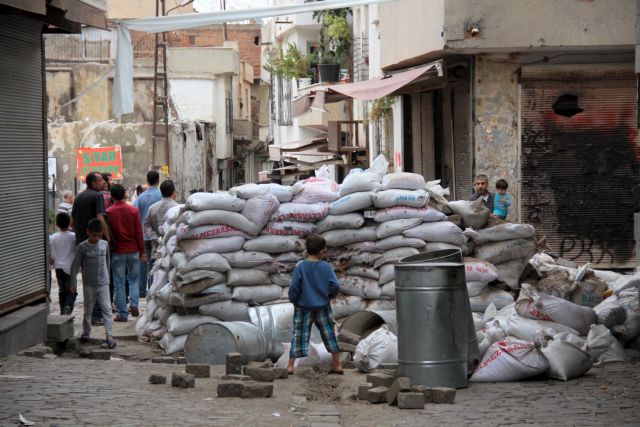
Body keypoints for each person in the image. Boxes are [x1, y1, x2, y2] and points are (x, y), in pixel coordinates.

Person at [287, 234, 342, 375]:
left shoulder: (300, 267)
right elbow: (335, 285)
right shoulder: (326, 267)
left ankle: (290, 367)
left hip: (303, 307)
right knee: (329, 334)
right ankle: (337, 365)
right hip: (322, 307)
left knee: (298, 334)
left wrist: (295, 300)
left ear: (307, 250)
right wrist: (329, 296)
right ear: (323, 251)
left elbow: (294, 288)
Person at [71, 171, 111, 325]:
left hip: (82, 242)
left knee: (87, 278)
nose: (104, 183)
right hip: (94, 243)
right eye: (100, 180)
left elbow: (72, 221)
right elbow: (100, 218)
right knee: (100, 278)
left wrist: (80, 235)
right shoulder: (97, 196)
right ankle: (96, 315)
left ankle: (90, 315)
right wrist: (106, 238)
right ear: (93, 183)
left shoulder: (79, 197)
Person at [69, 219, 116, 349]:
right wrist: (73, 282)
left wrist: (108, 280)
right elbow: (75, 266)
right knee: (88, 309)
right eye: (94, 235)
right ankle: (86, 331)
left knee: (106, 308)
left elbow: (107, 263)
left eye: (99, 235)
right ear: (88, 232)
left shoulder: (105, 245)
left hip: (103, 283)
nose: (96, 238)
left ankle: (109, 335)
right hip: (89, 283)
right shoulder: (82, 247)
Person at [107, 184, 145, 321]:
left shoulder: (109, 212)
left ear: (112, 196)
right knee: (134, 279)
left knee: (119, 282)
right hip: (133, 250)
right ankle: (134, 304)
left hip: (117, 251)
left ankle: (123, 313)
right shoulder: (133, 211)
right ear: (124, 195)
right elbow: (139, 232)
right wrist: (142, 251)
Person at [134, 171, 162, 298]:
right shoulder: (161, 195)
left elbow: (136, 214)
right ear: (158, 180)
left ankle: (141, 290)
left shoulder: (140, 197)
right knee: (155, 262)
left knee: (143, 261)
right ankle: (152, 288)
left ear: (147, 180)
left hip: (143, 234)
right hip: (157, 235)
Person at [49, 212, 77, 315]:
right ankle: (68, 307)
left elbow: (52, 255)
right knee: (72, 290)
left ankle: (62, 312)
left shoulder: (53, 237)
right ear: (69, 222)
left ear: (57, 224)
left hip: (58, 267)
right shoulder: (74, 236)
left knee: (62, 291)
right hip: (70, 268)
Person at [144, 180, 178, 254]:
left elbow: (146, 226)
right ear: (173, 192)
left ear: (161, 192)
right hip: (173, 249)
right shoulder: (178, 208)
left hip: (156, 247)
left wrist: (156, 238)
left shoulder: (152, 208)